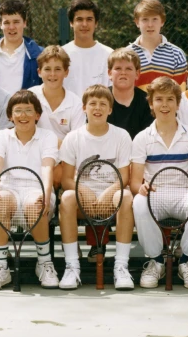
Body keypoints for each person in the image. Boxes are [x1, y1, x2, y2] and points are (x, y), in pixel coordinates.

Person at [131, 77, 188, 289]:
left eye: (170, 99)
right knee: (138, 201)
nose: (164, 105)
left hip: (184, 194)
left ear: (177, 103)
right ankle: (156, 261)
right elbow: (135, 182)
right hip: (155, 195)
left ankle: (187, 260)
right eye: (159, 99)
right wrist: (142, 188)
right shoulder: (141, 138)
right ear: (150, 104)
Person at [57, 85, 135, 290]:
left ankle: (121, 266)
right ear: (84, 108)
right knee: (66, 198)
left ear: (110, 109)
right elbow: (66, 179)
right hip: (84, 197)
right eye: (92, 103)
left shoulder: (122, 136)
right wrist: (84, 190)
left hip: (111, 197)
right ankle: (72, 267)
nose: (97, 108)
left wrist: (107, 193)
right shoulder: (73, 138)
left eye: (103, 104)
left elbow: (124, 177)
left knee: (126, 197)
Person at [0, 90, 59, 290]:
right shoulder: (2, 136)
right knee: (1, 199)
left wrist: (45, 193)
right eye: (18, 110)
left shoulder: (48, 136)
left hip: (37, 187)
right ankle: (0, 266)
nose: (23, 115)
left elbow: (47, 167)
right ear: (10, 115)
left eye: (28, 110)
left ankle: (44, 263)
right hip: (8, 188)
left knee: (34, 203)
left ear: (37, 115)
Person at [29, 45, 86, 144]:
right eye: (47, 69)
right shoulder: (29, 96)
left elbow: (77, 143)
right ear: (39, 72)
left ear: (66, 72)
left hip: (65, 157)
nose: (52, 74)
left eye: (58, 69)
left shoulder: (76, 104)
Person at [127, 0, 187, 90]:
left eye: (154, 19)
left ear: (162, 21)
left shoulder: (177, 54)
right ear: (137, 22)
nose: (150, 24)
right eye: (145, 19)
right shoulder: (127, 54)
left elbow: (180, 93)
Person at [0, 0, 43, 93]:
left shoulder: (39, 55)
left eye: (16, 22)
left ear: (24, 23)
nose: (11, 27)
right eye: (7, 22)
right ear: (0, 24)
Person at [62, 0, 113, 96]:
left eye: (89, 19)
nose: (84, 24)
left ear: (96, 23)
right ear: (71, 23)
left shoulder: (109, 54)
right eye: (79, 19)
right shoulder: (62, 54)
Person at [107, 48, 154, 140]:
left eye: (128, 69)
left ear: (137, 74)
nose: (123, 73)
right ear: (110, 73)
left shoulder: (147, 102)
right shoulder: (100, 99)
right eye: (118, 68)